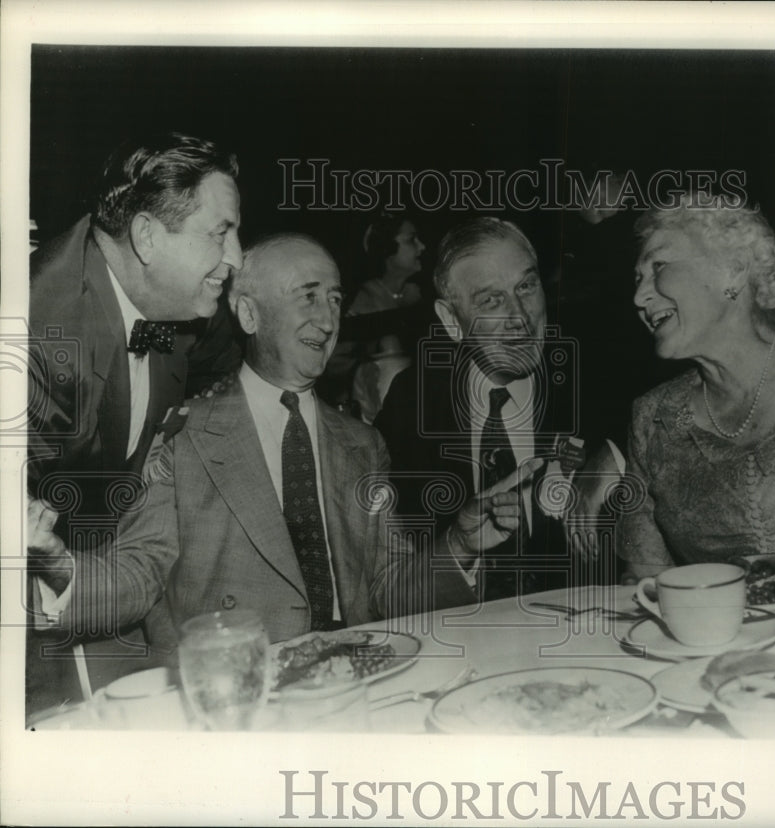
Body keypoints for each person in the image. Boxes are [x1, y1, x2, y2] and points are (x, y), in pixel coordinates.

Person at [26, 234, 528, 675]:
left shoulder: (362, 444)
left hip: (354, 683)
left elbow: (389, 591)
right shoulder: (183, 433)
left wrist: (459, 545)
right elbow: (137, 575)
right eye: (307, 297)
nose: (329, 319)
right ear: (248, 313)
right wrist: (58, 564)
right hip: (235, 701)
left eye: (334, 299)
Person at [25, 132, 243, 708]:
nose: (237, 258)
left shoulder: (179, 300)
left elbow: (227, 363)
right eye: (222, 233)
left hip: (102, 590)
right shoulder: (37, 336)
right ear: (147, 236)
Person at [376, 217, 610, 602]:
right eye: (491, 300)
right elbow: (396, 579)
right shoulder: (413, 403)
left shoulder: (593, 374)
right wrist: (458, 549)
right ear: (452, 322)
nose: (520, 316)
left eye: (526, 286)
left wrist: (612, 456)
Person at [619, 199, 775, 581]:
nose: (639, 297)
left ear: (733, 269)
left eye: (659, 266)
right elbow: (642, 585)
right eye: (637, 279)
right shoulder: (654, 419)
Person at [336, 214, 427, 423]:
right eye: (411, 240)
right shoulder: (363, 300)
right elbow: (335, 366)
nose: (422, 247)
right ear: (386, 248)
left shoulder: (419, 294)